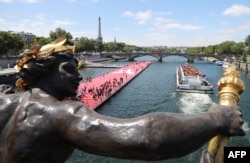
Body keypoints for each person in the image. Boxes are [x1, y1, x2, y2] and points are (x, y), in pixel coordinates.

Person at [0, 38, 245, 163]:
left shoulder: (7, 103)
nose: (78, 75)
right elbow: (147, 138)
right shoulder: (59, 112)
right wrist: (216, 118)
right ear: (46, 71)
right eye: (69, 69)